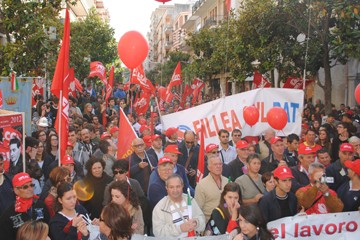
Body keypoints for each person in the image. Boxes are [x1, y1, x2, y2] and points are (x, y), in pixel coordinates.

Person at [0, 172, 50, 239]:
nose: (30, 189)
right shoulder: (9, 214)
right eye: (25, 187)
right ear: (16, 190)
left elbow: (49, 228)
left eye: (31, 185)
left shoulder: (40, 205)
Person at [195, 155, 229, 221]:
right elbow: (198, 209)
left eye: (220, 164)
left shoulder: (227, 181)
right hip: (209, 222)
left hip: (227, 220)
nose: (218, 166)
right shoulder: (202, 185)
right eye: (215, 164)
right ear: (209, 167)